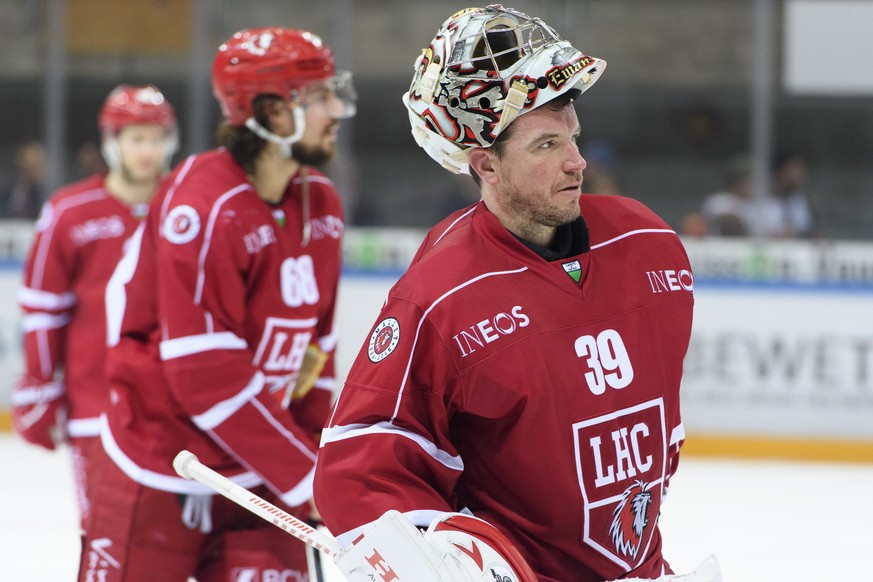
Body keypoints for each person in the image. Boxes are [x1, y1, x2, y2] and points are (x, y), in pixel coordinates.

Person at [315, 6, 717, 582]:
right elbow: (361, 458)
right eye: (546, 145)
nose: (576, 162)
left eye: (573, 136)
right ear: (486, 164)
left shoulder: (648, 243)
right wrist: (431, 552)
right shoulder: (443, 291)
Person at [80, 27, 355, 581]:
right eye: (320, 96)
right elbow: (205, 376)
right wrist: (308, 476)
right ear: (275, 114)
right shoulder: (202, 204)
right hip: (159, 462)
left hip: (261, 470)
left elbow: (314, 356)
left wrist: (318, 469)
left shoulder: (319, 201)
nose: (336, 111)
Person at [12, 85, 178, 531]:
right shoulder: (70, 211)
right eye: (136, 138)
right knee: (106, 536)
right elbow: (44, 309)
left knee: (166, 544)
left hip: (176, 408)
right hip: (95, 405)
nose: (148, 150)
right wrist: (41, 384)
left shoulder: (187, 207)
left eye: (156, 138)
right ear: (113, 142)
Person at [698, 154, 755, 237]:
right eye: (744, 181)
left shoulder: (764, 205)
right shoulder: (719, 200)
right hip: (721, 247)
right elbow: (727, 225)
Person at [1, 139, 47, 218]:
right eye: (29, 166)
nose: (32, 170)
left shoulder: (50, 193)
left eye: (36, 166)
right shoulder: (11, 192)